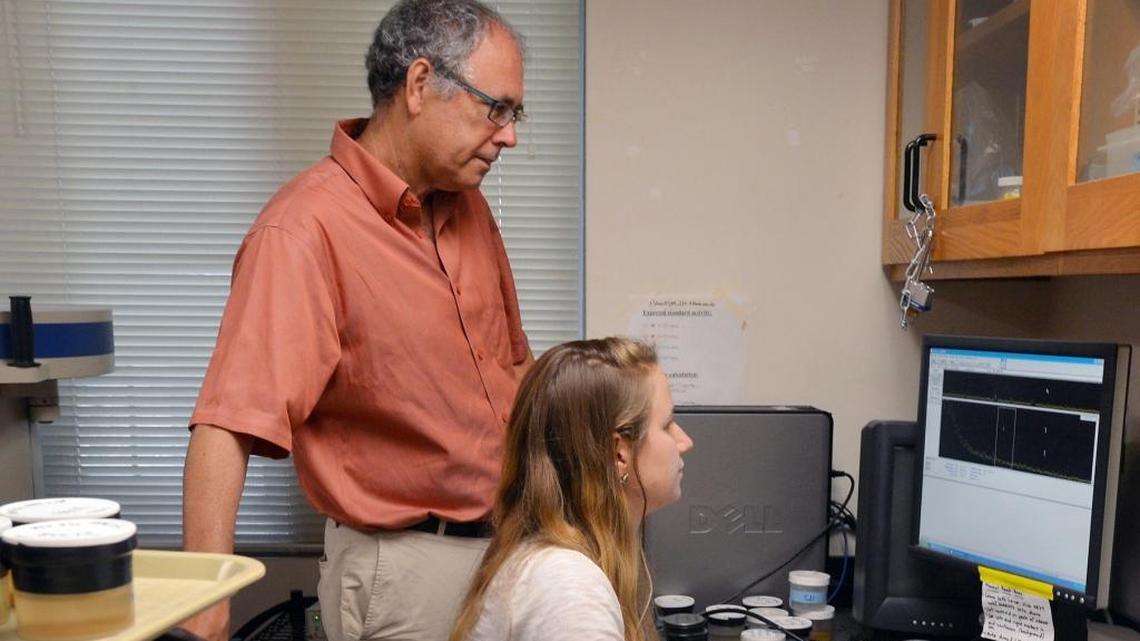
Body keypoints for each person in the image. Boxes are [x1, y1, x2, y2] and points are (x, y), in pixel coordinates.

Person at [179, 2, 533, 640]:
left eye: (515, 113)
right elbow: (228, 422)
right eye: (496, 108)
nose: (509, 134)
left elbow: (512, 368)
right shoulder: (302, 231)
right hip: (403, 574)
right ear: (421, 85)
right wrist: (206, 605)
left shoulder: (470, 206)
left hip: (505, 549)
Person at [449, 337, 694, 641]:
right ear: (619, 454)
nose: (684, 441)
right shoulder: (568, 589)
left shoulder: (560, 562)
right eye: (667, 424)